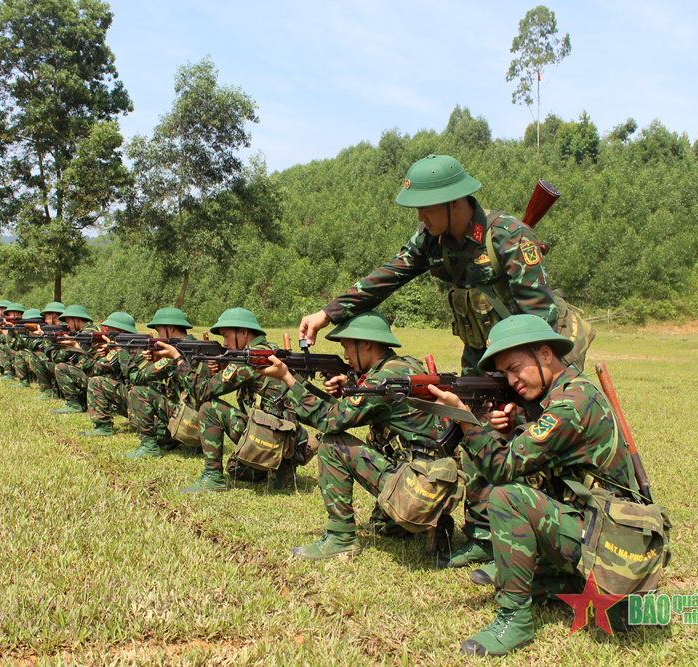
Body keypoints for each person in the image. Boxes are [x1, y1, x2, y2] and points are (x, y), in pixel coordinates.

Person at [298, 154, 594, 567]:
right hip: (483, 350)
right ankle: (480, 533)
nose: (420, 216)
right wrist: (327, 314)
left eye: (426, 207)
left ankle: (541, 536)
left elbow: (539, 315)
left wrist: (519, 380)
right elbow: (388, 275)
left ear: (456, 202)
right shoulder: (430, 241)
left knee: (528, 433)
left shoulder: (509, 236)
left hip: (536, 349)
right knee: (473, 428)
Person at [428, 315, 635, 657]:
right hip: (599, 527)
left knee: (506, 496)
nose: (512, 381)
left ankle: (515, 620)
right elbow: (537, 457)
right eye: (505, 374)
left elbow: (502, 467)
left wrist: (465, 420)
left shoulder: (569, 406)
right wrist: (510, 430)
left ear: (545, 353)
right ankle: (564, 580)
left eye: (515, 368)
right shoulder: (567, 391)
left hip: (611, 544)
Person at [258, 310, 451, 559]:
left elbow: (331, 421)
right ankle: (432, 519)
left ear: (367, 344)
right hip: (434, 481)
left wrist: (287, 378)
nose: (346, 356)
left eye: (348, 347)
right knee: (381, 527)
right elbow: (358, 410)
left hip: (416, 486)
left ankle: (340, 538)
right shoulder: (405, 365)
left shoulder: (380, 380)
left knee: (331, 444)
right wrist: (352, 390)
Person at [155, 308, 300, 493]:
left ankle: (213, 477)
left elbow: (202, 391)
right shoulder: (265, 351)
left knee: (209, 408)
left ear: (244, 333)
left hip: (277, 438)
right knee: (237, 470)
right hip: (285, 438)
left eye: (226, 336)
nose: (224, 343)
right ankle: (280, 470)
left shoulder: (250, 359)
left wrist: (178, 359)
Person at [112, 307, 212, 456]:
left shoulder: (177, 353)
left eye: (159, 331)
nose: (158, 336)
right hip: (203, 424)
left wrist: (120, 352)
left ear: (170, 328)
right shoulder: (196, 346)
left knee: (139, 391)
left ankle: (149, 447)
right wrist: (157, 359)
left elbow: (136, 377)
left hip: (189, 421)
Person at [81, 311, 142, 437]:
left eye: (110, 331)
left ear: (121, 332)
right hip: (141, 401)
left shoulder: (126, 350)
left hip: (140, 403)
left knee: (96, 382)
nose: (106, 334)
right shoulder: (134, 345)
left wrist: (84, 349)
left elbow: (90, 369)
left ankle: (104, 427)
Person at [51, 305, 100, 414]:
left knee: (61, 368)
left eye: (68, 321)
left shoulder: (85, 335)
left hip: (96, 378)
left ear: (77, 319)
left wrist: (72, 344)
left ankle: (73, 404)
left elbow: (84, 364)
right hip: (98, 375)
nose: (67, 326)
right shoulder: (93, 330)